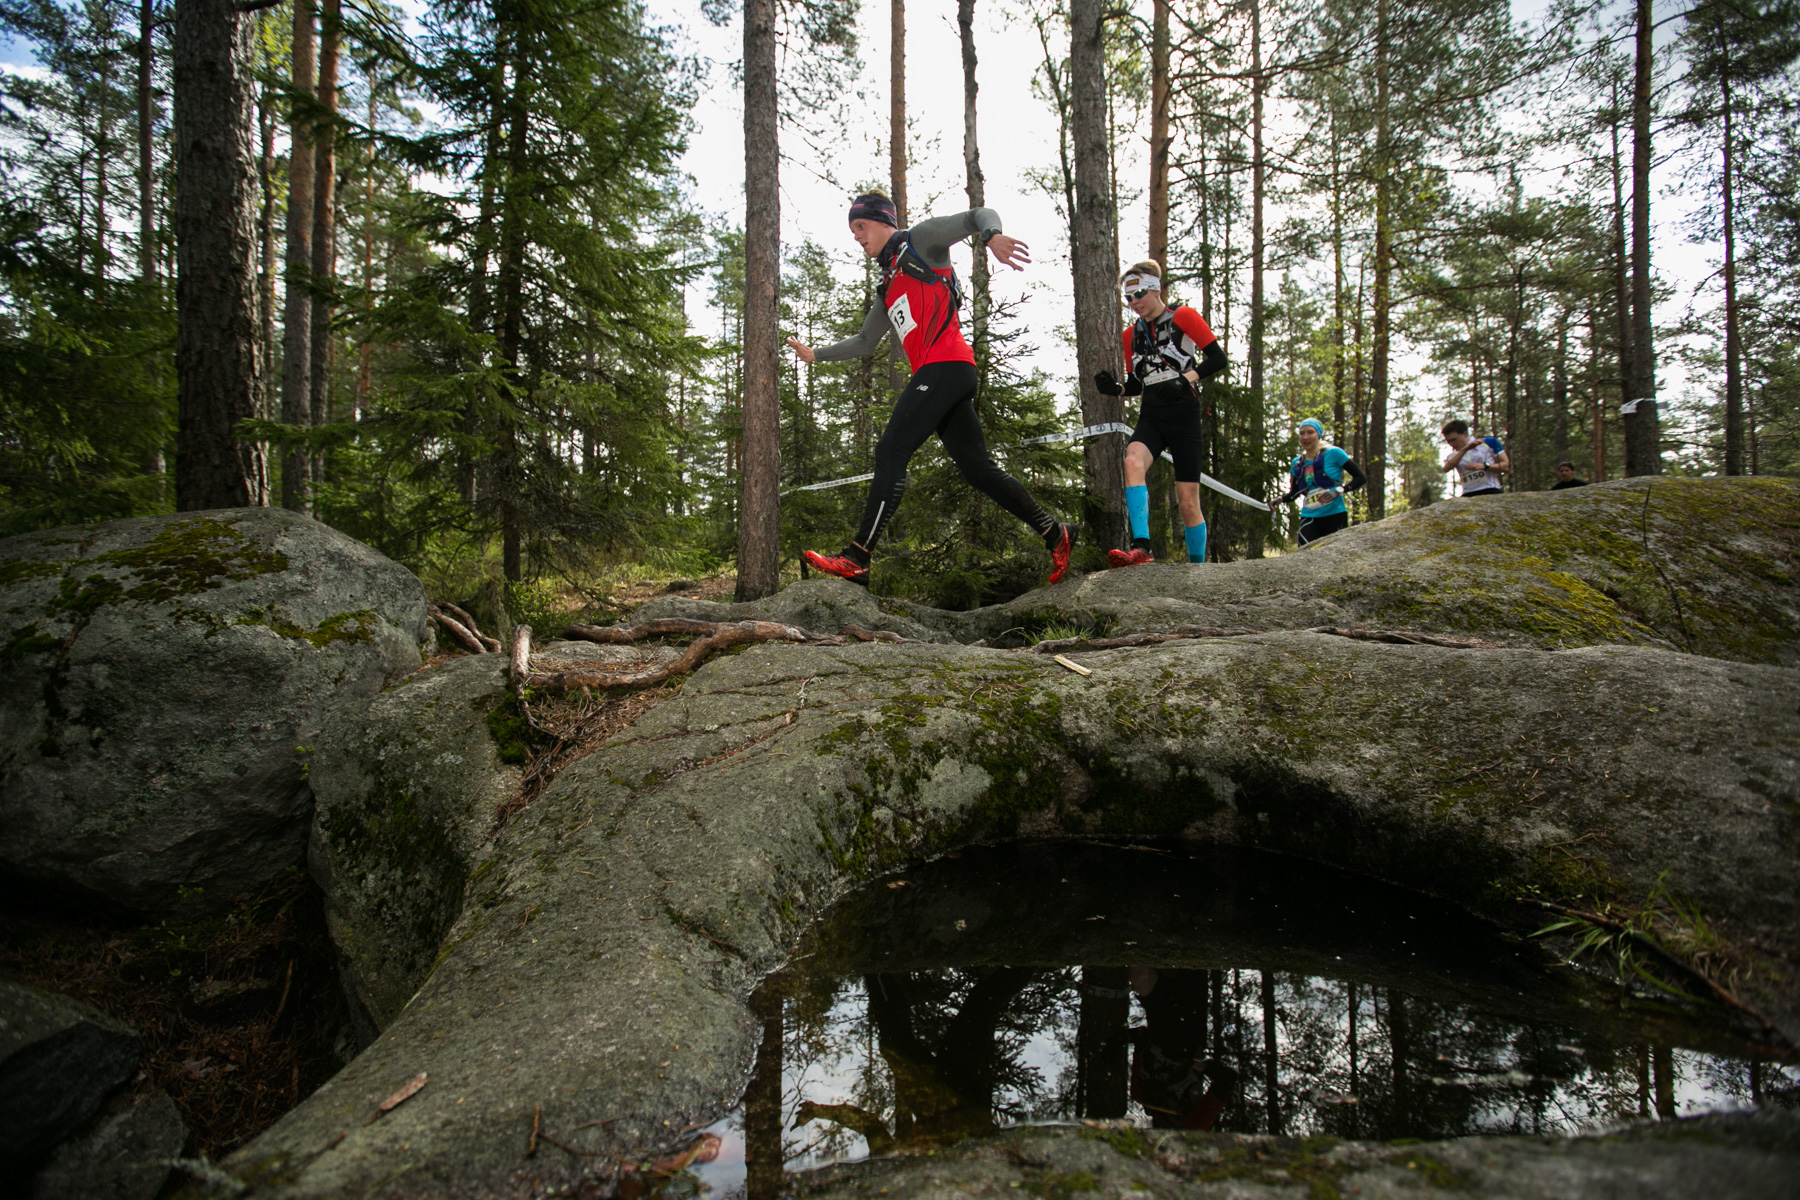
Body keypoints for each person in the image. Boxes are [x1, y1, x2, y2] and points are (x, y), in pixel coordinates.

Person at [785, 192, 1077, 586]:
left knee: (891, 449)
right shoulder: (888, 284)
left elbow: (978, 215)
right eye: (852, 230)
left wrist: (991, 236)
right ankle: (1055, 533)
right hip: (947, 375)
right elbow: (864, 342)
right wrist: (815, 355)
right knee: (978, 470)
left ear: (883, 221)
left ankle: (858, 557)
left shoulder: (920, 242)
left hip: (946, 366)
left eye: (860, 227)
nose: (856, 237)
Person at [1093, 262, 1228, 565]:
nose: (1134, 302)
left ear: (1155, 288)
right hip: (1152, 413)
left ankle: (1198, 568)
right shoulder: (1131, 335)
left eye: (1139, 293)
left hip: (1184, 413)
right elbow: (1134, 384)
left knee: (1188, 502)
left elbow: (1218, 359)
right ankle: (1141, 546)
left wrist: (1184, 380)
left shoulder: (1183, 316)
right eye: (1128, 298)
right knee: (1131, 460)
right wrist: (1113, 389)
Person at [1270, 418, 1366, 547]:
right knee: (1304, 556)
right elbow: (1294, 493)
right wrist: (1280, 499)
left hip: (1335, 515)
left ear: (1319, 435)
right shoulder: (1297, 463)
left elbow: (1360, 478)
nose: (1306, 437)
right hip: (1309, 516)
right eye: (1302, 433)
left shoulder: (1334, 453)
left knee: (1335, 558)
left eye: (1310, 432)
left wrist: (1338, 491)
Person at [1440, 419, 1508, 497]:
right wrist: (1465, 449)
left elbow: (1505, 466)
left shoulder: (1488, 443)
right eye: (1448, 441)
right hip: (1468, 493)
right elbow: (1446, 469)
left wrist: (1485, 466)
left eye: (1454, 440)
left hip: (1490, 489)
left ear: (1465, 434)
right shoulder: (1453, 456)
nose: (1451, 444)